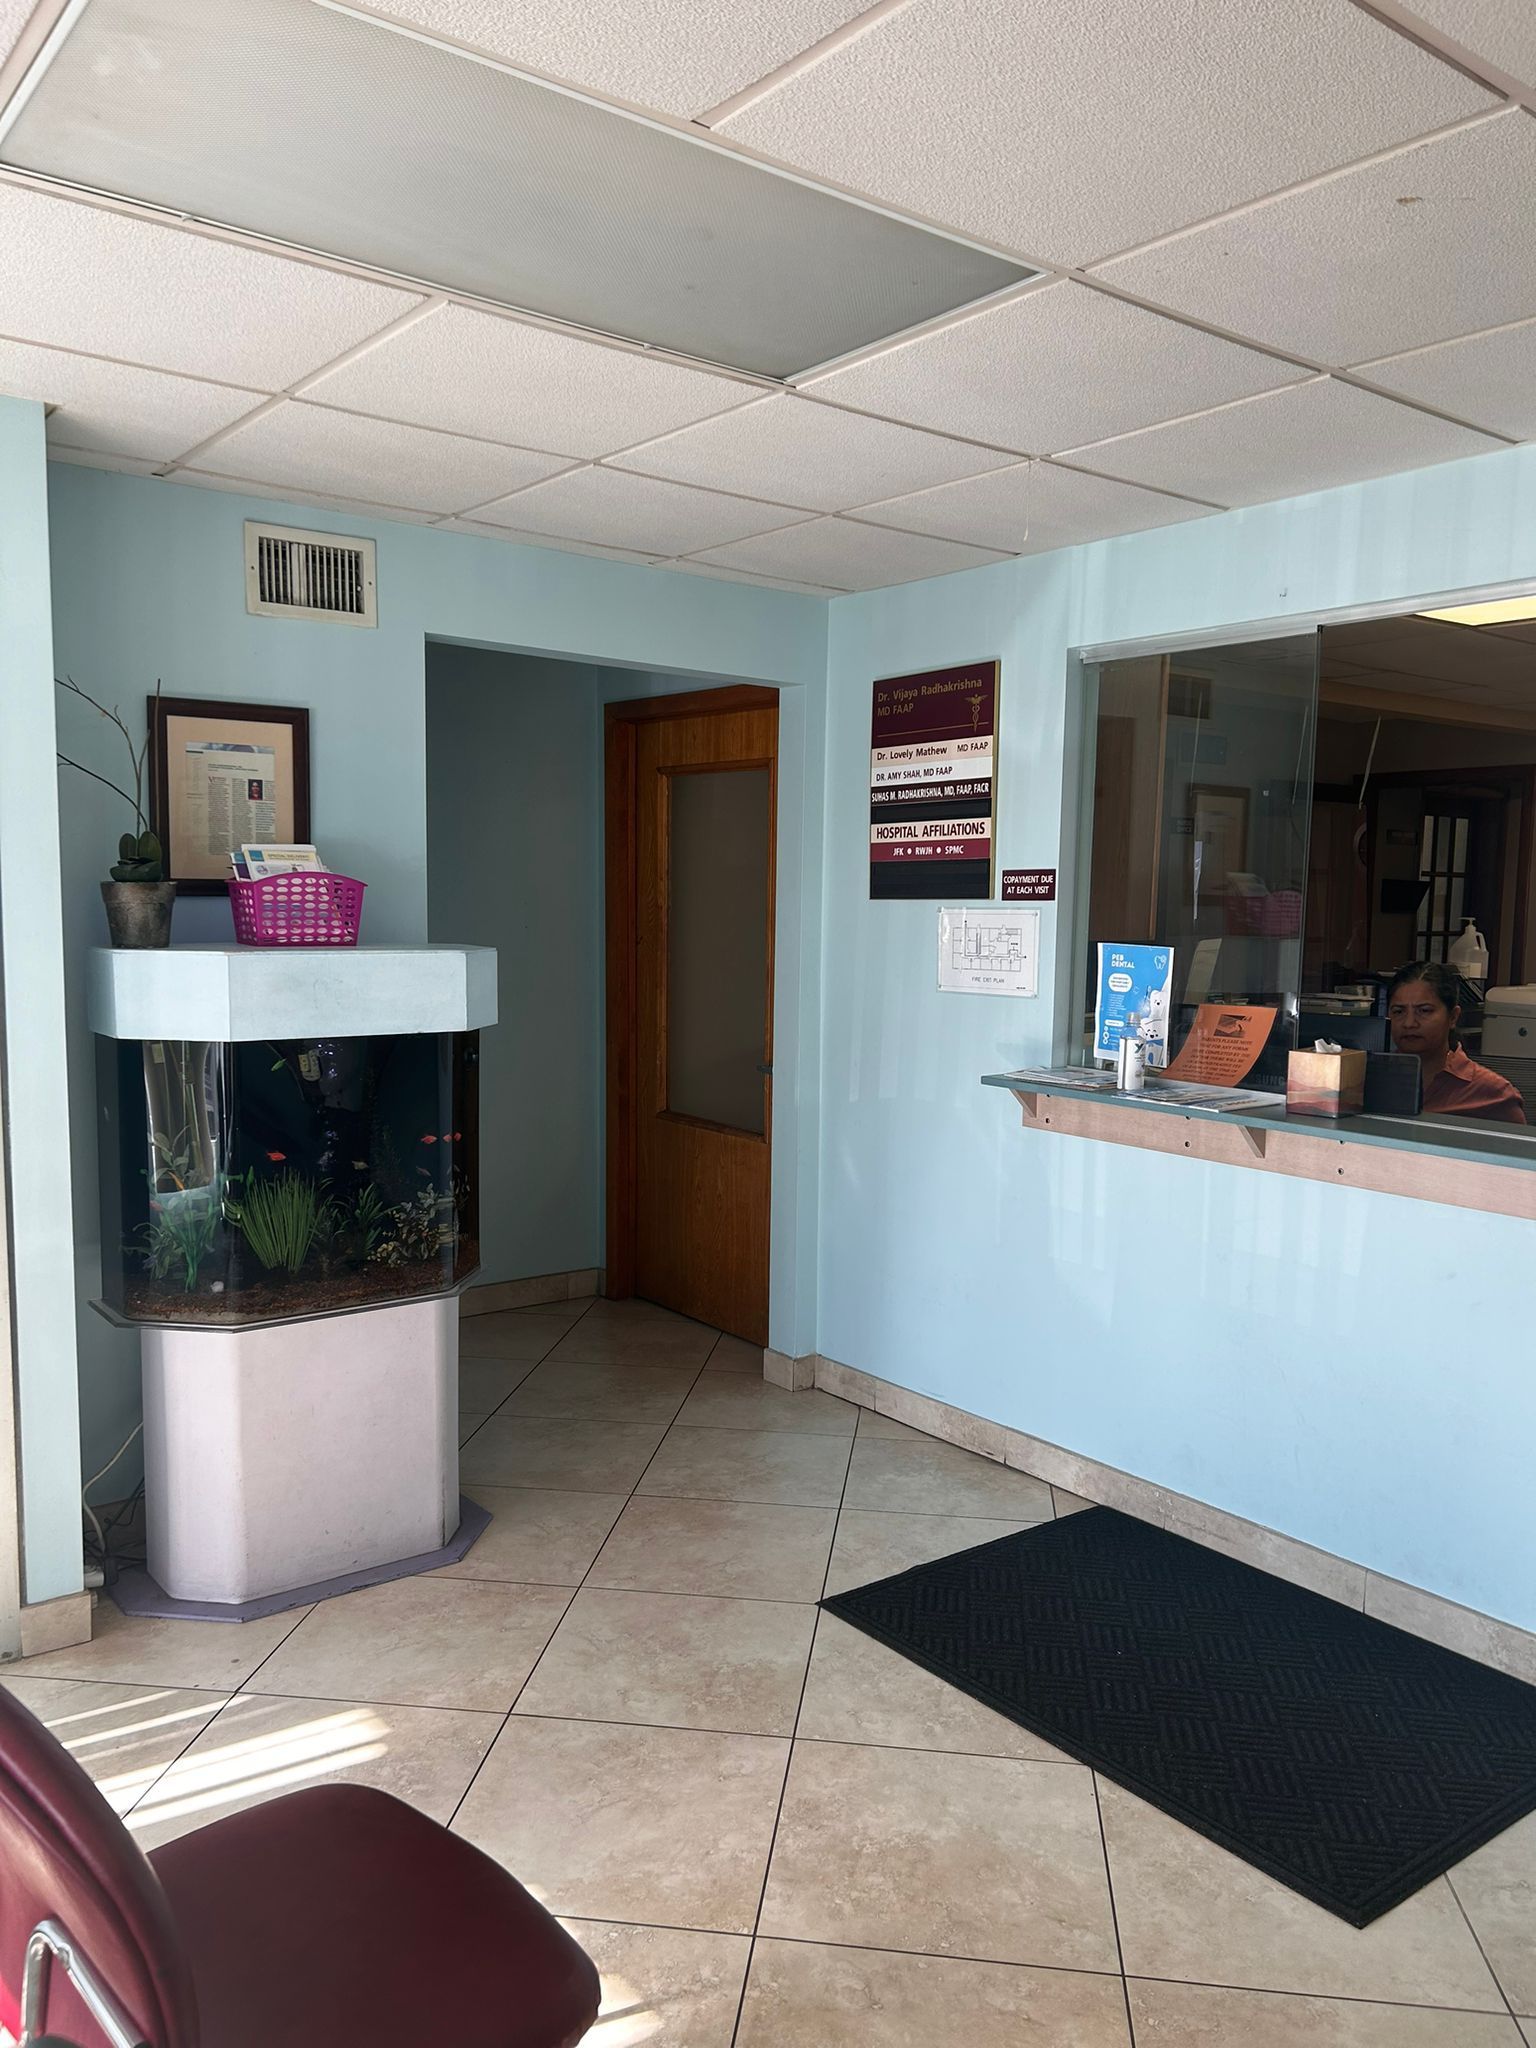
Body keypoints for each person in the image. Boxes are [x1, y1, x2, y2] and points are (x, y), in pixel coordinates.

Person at [1385, 960, 1527, 1125]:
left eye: (1424, 1011)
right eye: (1399, 1011)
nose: (1409, 1023)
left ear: (1453, 1017)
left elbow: (1518, 1149)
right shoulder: (1368, 1081)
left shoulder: (1493, 1094)